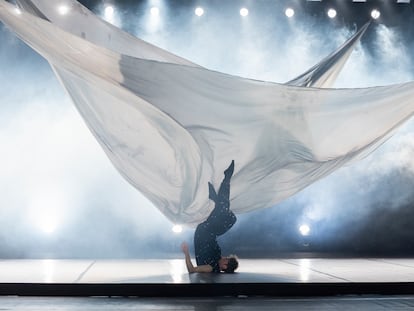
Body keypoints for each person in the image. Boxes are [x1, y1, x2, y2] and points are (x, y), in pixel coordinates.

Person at [181, 160, 239, 273]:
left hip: (205, 231)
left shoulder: (212, 267)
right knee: (231, 218)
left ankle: (227, 178)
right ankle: (215, 197)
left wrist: (186, 252)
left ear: (225, 266)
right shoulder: (217, 260)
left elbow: (192, 270)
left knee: (223, 208)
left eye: (226, 260)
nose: (224, 258)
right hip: (211, 231)